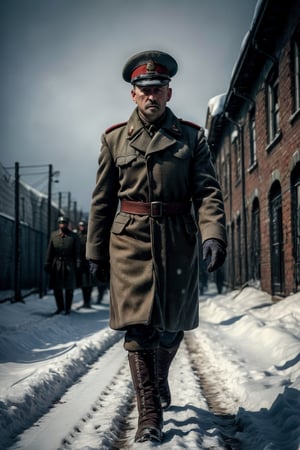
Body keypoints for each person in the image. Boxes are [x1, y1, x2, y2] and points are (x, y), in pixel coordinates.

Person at [86, 50, 227, 443]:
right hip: (129, 241)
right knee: (138, 328)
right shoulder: (114, 139)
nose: (151, 96)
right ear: (133, 94)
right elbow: (102, 199)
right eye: (143, 89)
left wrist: (213, 233)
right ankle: (149, 412)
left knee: (171, 327)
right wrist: (95, 251)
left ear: (169, 92)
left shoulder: (191, 137)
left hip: (178, 241)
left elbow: (208, 191)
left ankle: (159, 375)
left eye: (158, 89)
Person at [44, 216, 80, 315]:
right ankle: (60, 307)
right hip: (57, 264)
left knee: (69, 288)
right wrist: (48, 263)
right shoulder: (54, 235)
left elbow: (77, 252)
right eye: (60, 223)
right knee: (57, 288)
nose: (62, 225)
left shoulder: (73, 236)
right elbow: (50, 251)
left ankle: (67, 308)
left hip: (69, 264)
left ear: (67, 224)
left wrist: (78, 263)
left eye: (64, 223)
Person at [76, 219, 95, 308]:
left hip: (89, 261)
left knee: (90, 283)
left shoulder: (89, 236)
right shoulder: (77, 236)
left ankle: (88, 301)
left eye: (83, 226)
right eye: (81, 226)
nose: (82, 227)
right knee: (83, 284)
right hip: (81, 261)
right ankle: (85, 301)